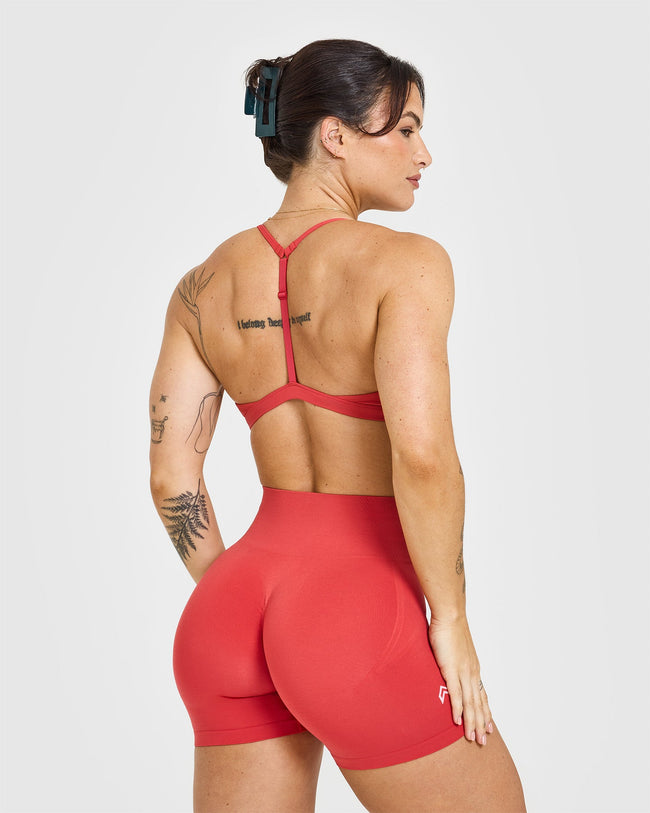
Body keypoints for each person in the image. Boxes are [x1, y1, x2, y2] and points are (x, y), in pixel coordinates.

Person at [149, 38, 526, 813]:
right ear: (336, 136)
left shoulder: (202, 287)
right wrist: (451, 621)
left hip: (230, 607)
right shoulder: (405, 263)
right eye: (406, 129)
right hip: (354, 611)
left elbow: (170, 477)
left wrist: (235, 600)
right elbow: (423, 454)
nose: (424, 153)